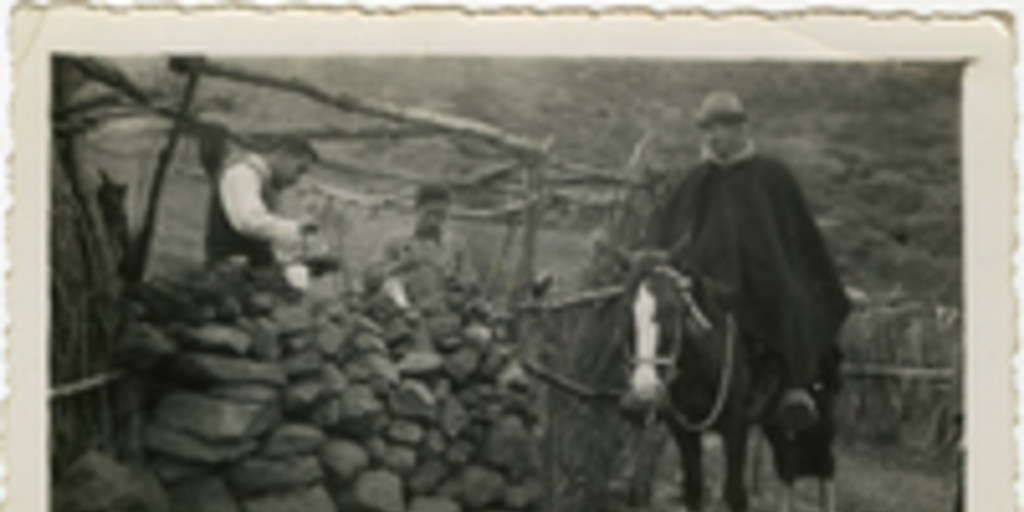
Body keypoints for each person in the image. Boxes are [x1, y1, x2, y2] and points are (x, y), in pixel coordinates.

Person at [647, 91, 852, 430]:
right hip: (704, 284)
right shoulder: (696, 179)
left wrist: (788, 273)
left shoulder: (772, 175)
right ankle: (658, 386)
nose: (714, 137)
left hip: (760, 285)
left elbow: (800, 237)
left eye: (722, 128)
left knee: (788, 300)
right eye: (707, 130)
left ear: (741, 129)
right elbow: (667, 232)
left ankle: (792, 387)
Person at [205, 135, 324, 288]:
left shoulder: (263, 182)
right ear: (282, 155)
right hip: (227, 275)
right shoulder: (243, 174)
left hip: (245, 274)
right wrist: (296, 228)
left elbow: (260, 239)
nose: (297, 179)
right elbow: (248, 222)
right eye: (299, 170)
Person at [365, 184, 478, 313]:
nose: (434, 222)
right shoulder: (395, 240)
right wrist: (400, 265)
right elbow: (369, 278)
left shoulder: (456, 244)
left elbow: (469, 284)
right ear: (416, 209)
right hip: (401, 316)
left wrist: (452, 281)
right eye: (429, 214)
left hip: (442, 317)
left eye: (441, 216)